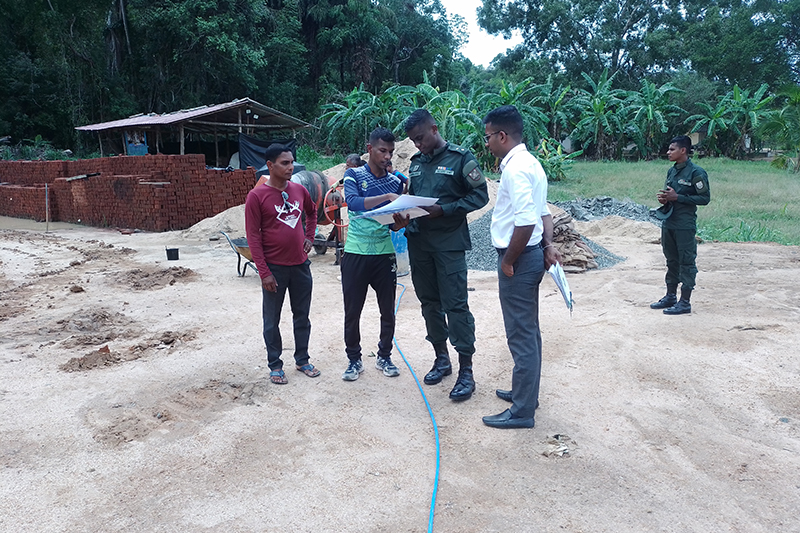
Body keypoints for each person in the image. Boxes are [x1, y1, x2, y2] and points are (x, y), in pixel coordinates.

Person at [480, 105, 562, 429]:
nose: (486, 143)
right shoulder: (531, 163)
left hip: (520, 257)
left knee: (521, 335)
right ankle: (525, 394)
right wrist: (549, 245)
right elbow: (544, 213)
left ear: (502, 136)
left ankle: (522, 411)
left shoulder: (515, 169)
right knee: (529, 330)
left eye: (488, 136)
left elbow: (527, 221)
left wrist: (508, 261)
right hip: (532, 254)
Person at [403, 109, 489, 402]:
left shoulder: (461, 159)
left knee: (456, 306)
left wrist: (445, 210)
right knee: (429, 303)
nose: (418, 145)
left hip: (449, 245)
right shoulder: (416, 164)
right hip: (420, 244)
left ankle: (466, 371)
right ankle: (441, 358)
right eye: (413, 141)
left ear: (434, 129)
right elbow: (413, 197)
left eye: (420, 138)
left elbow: (480, 195)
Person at [245, 143, 320, 385]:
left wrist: (309, 237)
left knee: (302, 316)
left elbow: (312, 212)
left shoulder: (299, 190)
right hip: (274, 269)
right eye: (285, 163)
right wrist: (264, 272)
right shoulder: (257, 196)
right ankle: (275, 365)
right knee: (272, 320)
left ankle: (302, 359)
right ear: (270, 165)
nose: (290, 167)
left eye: (291, 163)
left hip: (300, 266)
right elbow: (253, 236)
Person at [340, 128, 409, 381]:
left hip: (384, 254)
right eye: (382, 151)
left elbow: (393, 223)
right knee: (352, 311)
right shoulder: (353, 174)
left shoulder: (396, 182)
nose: (387, 156)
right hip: (355, 252)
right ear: (369, 149)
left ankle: (385, 356)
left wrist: (400, 224)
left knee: (387, 310)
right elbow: (353, 202)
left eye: (391, 151)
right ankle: (353, 359)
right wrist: (388, 196)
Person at [650, 135, 710, 315]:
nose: (668, 152)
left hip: (684, 224)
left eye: (672, 149)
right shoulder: (672, 171)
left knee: (686, 261)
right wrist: (665, 199)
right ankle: (670, 296)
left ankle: (685, 302)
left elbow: (704, 198)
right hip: (669, 221)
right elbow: (671, 193)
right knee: (671, 260)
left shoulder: (696, 173)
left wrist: (678, 197)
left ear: (683, 150)